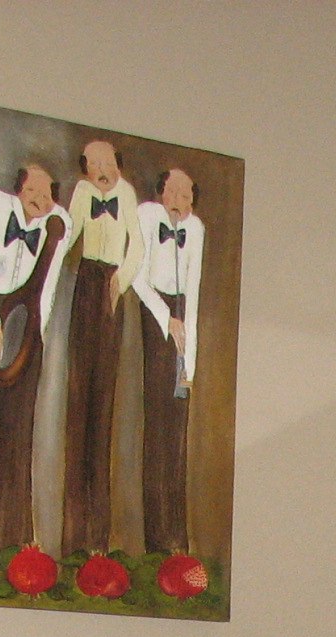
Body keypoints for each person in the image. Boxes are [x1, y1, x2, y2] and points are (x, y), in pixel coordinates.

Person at [0, 161, 73, 550]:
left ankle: (14, 538)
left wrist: (35, 335)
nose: (40, 199)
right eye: (31, 191)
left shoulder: (59, 225)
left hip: (28, 312)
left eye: (47, 193)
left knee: (18, 428)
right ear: (16, 190)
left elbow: (49, 286)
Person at [58, 139, 144, 554]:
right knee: (78, 403)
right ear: (86, 169)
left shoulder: (126, 194)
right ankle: (74, 539)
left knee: (102, 404)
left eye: (107, 162)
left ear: (118, 165)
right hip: (85, 284)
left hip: (111, 288)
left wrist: (120, 281)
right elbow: (67, 237)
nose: (102, 170)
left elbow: (138, 245)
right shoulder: (81, 193)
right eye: (93, 164)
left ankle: (99, 539)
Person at [133, 168, 203, 554]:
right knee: (156, 426)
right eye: (174, 192)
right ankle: (156, 542)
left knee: (176, 432)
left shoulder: (197, 229)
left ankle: (178, 543)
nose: (180, 201)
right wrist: (166, 319)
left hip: (181, 319)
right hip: (153, 313)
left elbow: (193, 295)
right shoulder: (146, 215)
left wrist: (189, 365)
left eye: (187, 194)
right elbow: (137, 278)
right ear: (161, 193)